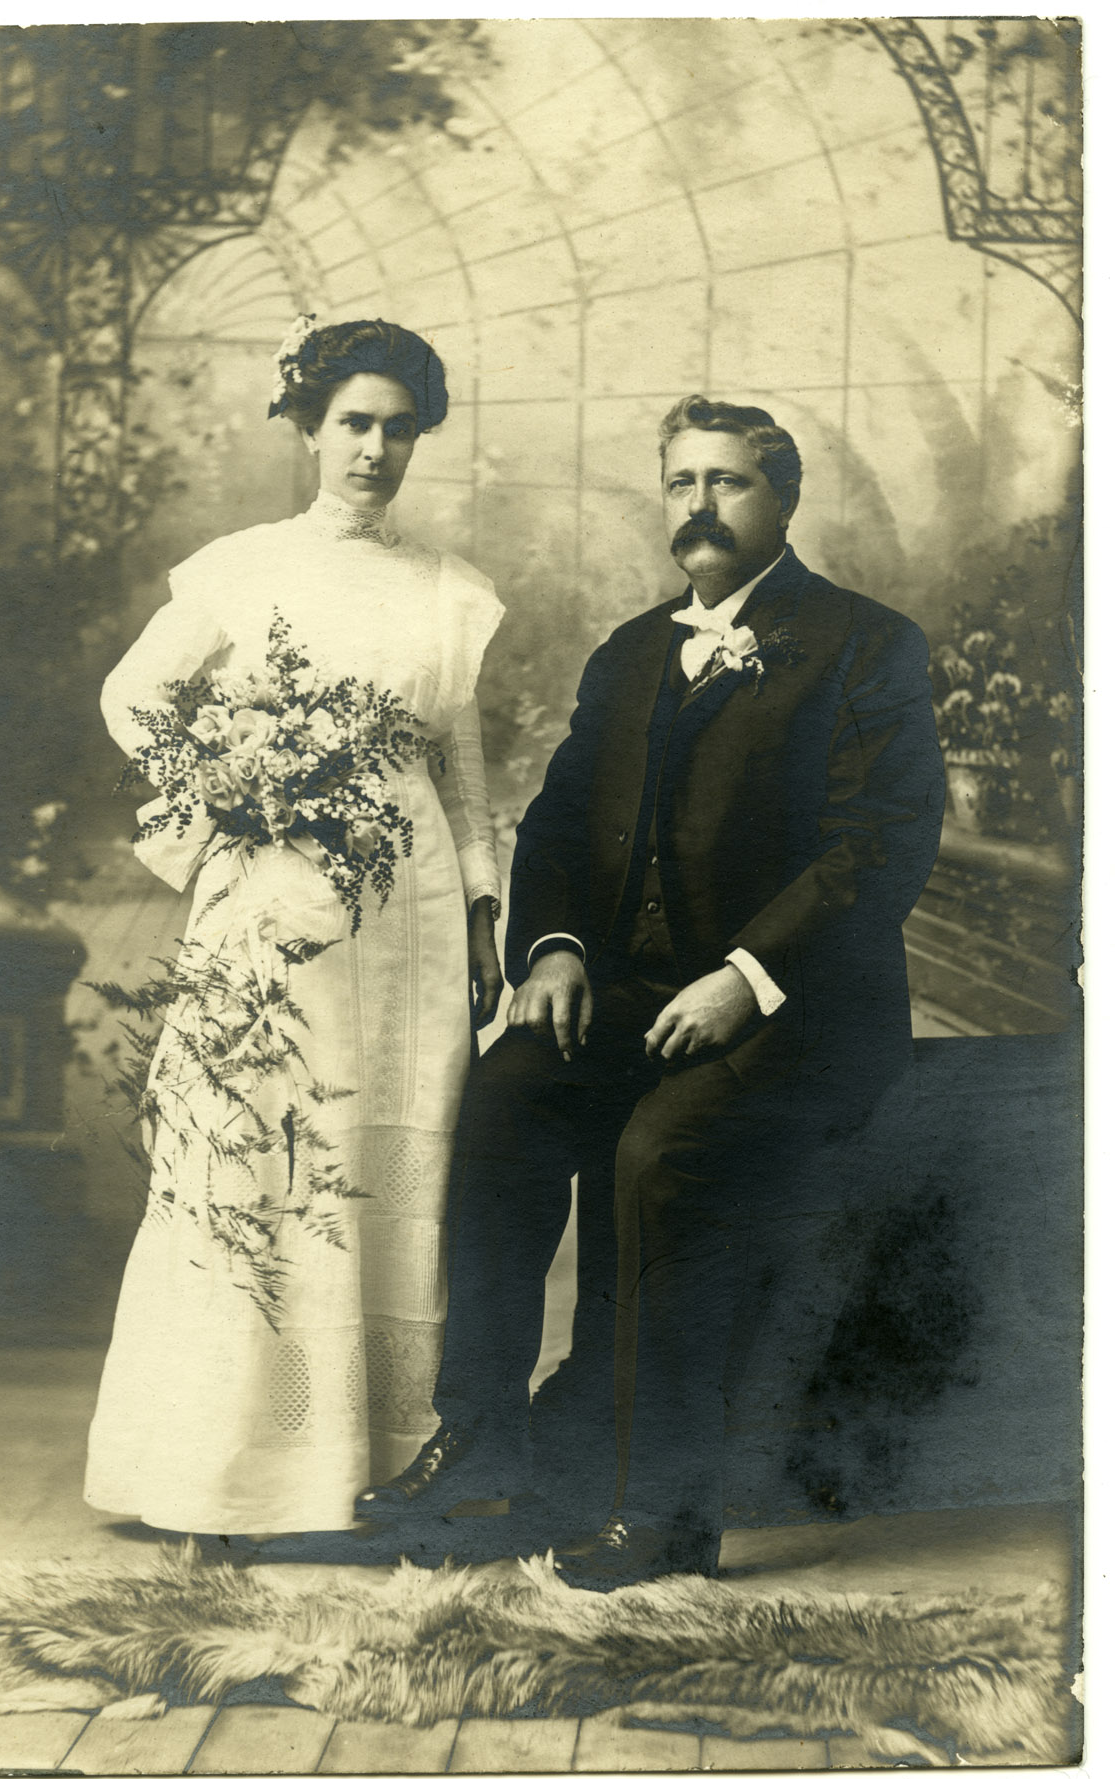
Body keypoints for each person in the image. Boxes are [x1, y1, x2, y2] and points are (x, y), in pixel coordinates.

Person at [357, 397, 945, 1587]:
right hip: (636, 995)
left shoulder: (864, 643)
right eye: (682, 482)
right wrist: (557, 949)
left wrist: (746, 976)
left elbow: (876, 847)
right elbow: (560, 821)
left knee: (659, 1153)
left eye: (728, 482)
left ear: (782, 500)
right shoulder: (629, 652)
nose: (699, 506)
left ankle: (664, 1508)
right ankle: (485, 1436)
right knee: (508, 1093)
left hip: (803, 1009)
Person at [84, 318, 505, 1540]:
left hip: (412, 914)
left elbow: (462, 771)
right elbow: (134, 696)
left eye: (397, 429)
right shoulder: (244, 567)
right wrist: (228, 792)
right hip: (277, 909)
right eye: (353, 424)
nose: (374, 451)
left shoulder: (447, 590)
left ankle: (379, 1459)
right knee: (266, 1158)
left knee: (389, 1163)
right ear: (310, 429)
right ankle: (223, 1467)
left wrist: (485, 912)